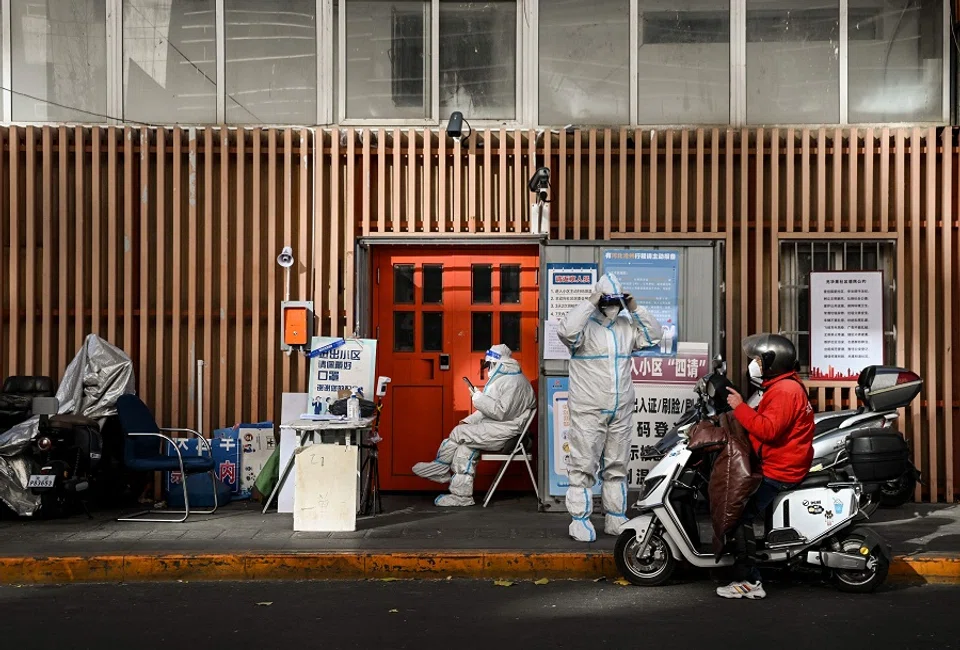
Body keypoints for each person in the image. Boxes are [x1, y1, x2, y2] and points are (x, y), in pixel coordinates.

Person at [557, 274, 663, 542]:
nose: (612, 305)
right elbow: (566, 331)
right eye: (607, 300)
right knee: (583, 464)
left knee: (617, 465)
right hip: (588, 407)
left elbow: (654, 337)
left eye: (616, 300)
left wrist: (636, 307)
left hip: (621, 407)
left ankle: (615, 517)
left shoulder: (626, 326)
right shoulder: (584, 327)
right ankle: (579, 519)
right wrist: (590, 302)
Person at [717, 333, 815, 600]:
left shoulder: (784, 391)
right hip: (782, 461)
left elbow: (768, 430)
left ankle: (750, 582)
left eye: (759, 359)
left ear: (773, 361)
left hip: (780, 469)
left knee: (739, 514)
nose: (755, 364)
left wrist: (738, 407)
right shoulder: (785, 385)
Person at [412, 344, 535, 507]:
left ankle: (440, 468)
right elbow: (489, 411)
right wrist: (469, 421)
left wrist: (478, 398)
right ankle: (461, 497)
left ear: (496, 363)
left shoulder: (514, 382)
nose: (488, 368)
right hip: (499, 428)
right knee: (465, 449)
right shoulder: (506, 380)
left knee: (458, 432)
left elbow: (500, 412)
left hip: (507, 432)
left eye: (489, 364)